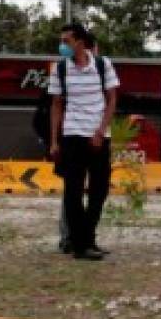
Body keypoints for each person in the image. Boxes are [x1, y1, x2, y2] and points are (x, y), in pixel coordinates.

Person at [48, 23, 118, 261]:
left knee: (99, 190)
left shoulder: (102, 64)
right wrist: (54, 141)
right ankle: (80, 244)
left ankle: (87, 238)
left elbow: (111, 100)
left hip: (98, 135)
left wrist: (101, 131)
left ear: (80, 41)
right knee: (73, 192)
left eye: (66, 41)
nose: (62, 45)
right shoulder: (60, 69)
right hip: (72, 135)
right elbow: (56, 105)